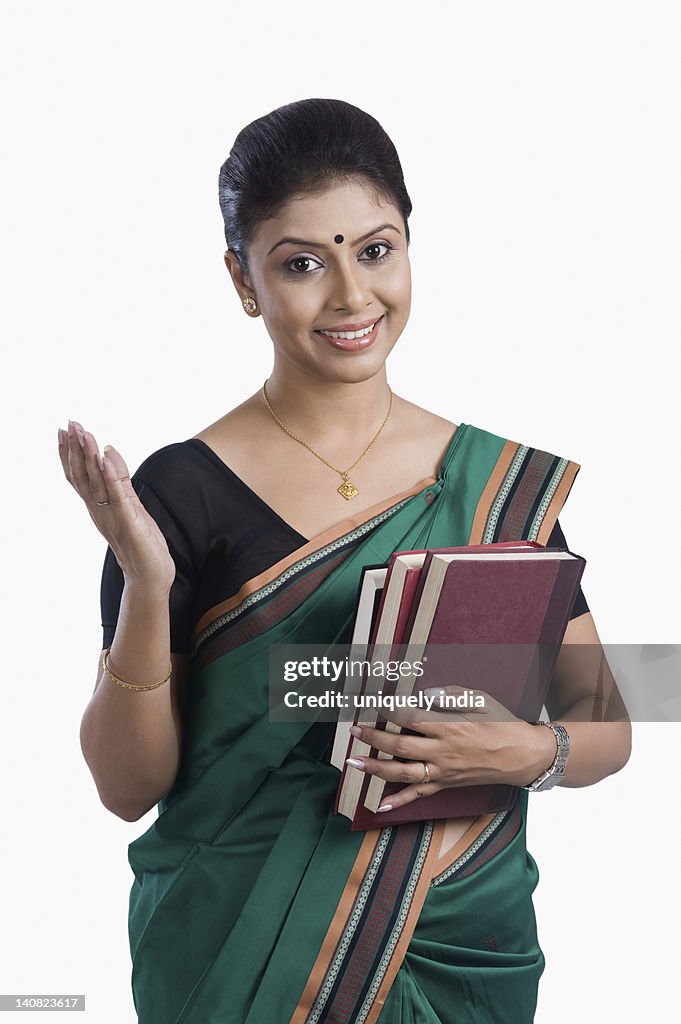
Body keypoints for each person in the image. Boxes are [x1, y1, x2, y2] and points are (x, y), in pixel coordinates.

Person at [58, 98, 631, 1023]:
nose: (352, 297)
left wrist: (529, 751)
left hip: (457, 947)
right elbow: (127, 790)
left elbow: (607, 720)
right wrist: (148, 584)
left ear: (409, 247)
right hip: (234, 956)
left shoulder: (492, 488)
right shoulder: (179, 492)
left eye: (375, 250)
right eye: (300, 265)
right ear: (243, 281)